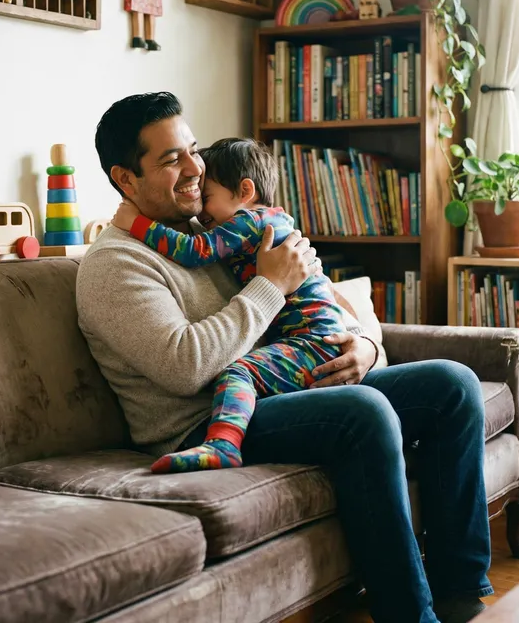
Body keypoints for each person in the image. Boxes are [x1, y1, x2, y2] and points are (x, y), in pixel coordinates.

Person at [77, 92, 492, 623]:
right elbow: (184, 367)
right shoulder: (115, 264)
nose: (194, 169)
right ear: (125, 179)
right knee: (362, 413)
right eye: (170, 159)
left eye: (193, 150)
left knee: (452, 386)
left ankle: (461, 595)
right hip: (205, 421)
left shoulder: (216, 228)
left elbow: (328, 304)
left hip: (281, 384)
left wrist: (364, 348)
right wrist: (271, 284)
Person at [110, 136, 359, 474]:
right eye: (173, 159)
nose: (202, 207)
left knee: (238, 371)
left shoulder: (249, 222)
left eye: (207, 195)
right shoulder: (274, 220)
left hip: (312, 344)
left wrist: (135, 223)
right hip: (315, 342)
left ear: (244, 192)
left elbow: (193, 250)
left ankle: (224, 444)